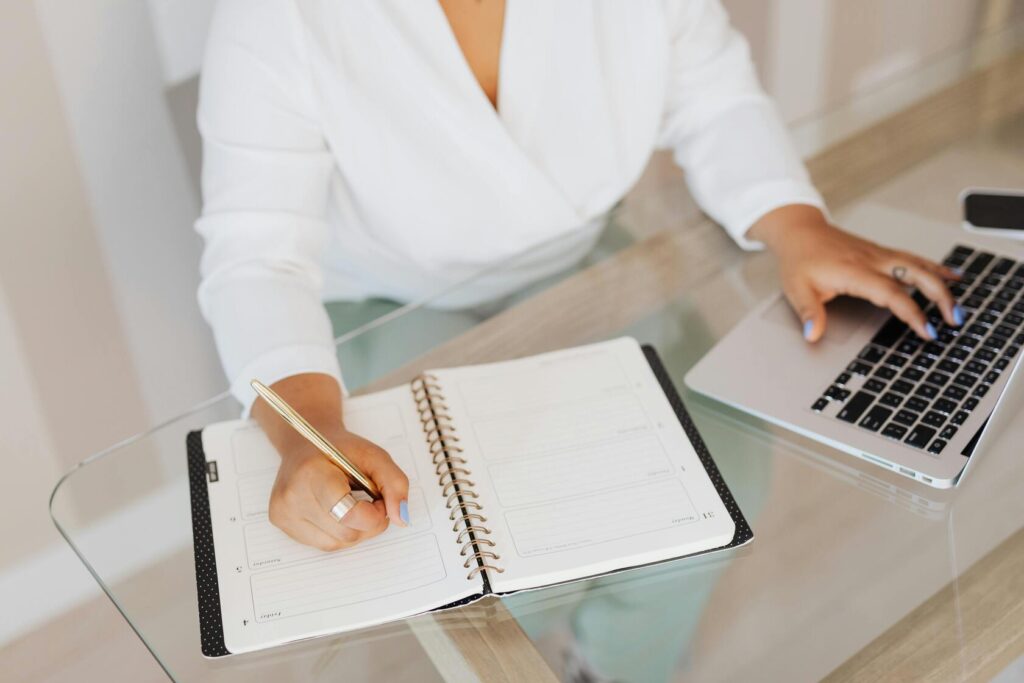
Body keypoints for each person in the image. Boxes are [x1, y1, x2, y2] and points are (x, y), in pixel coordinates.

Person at [195, 0, 962, 553]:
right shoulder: (272, 17)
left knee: (722, 475)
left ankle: (617, 659)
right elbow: (260, 254)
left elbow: (713, 95)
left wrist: (795, 222)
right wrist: (309, 433)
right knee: (486, 524)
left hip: (579, 262)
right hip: (381, 301)